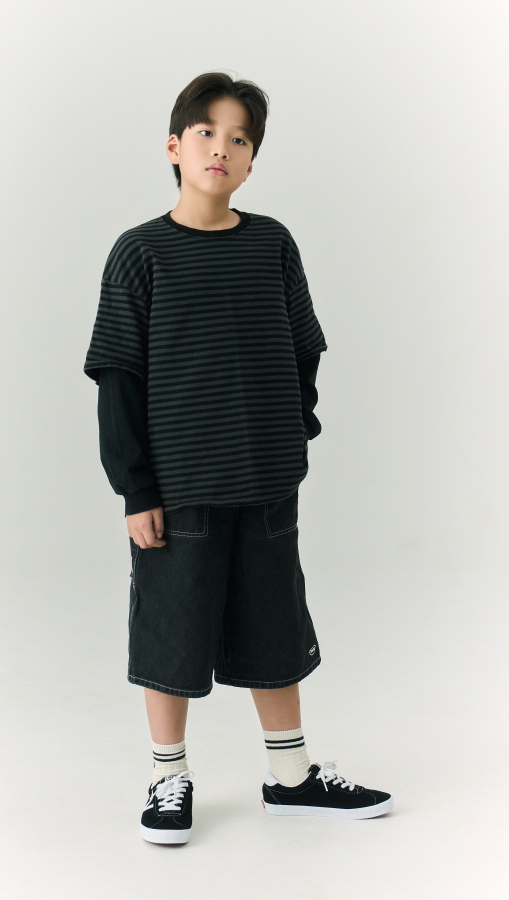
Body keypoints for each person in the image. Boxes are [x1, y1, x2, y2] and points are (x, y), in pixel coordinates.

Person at [83, 71, 393, 845]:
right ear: (174, 146)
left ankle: (291, 776)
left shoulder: (272, 243)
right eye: (207, 132)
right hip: (178, 490)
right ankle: (169, 777)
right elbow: (118, 376)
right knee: (172, 629)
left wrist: (294, 429)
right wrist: (135, 489)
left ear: (252, 161)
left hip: (266, 483)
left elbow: (303, 346)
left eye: (240, 138)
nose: (221, 147)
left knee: (274, 624)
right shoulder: (140, 253)